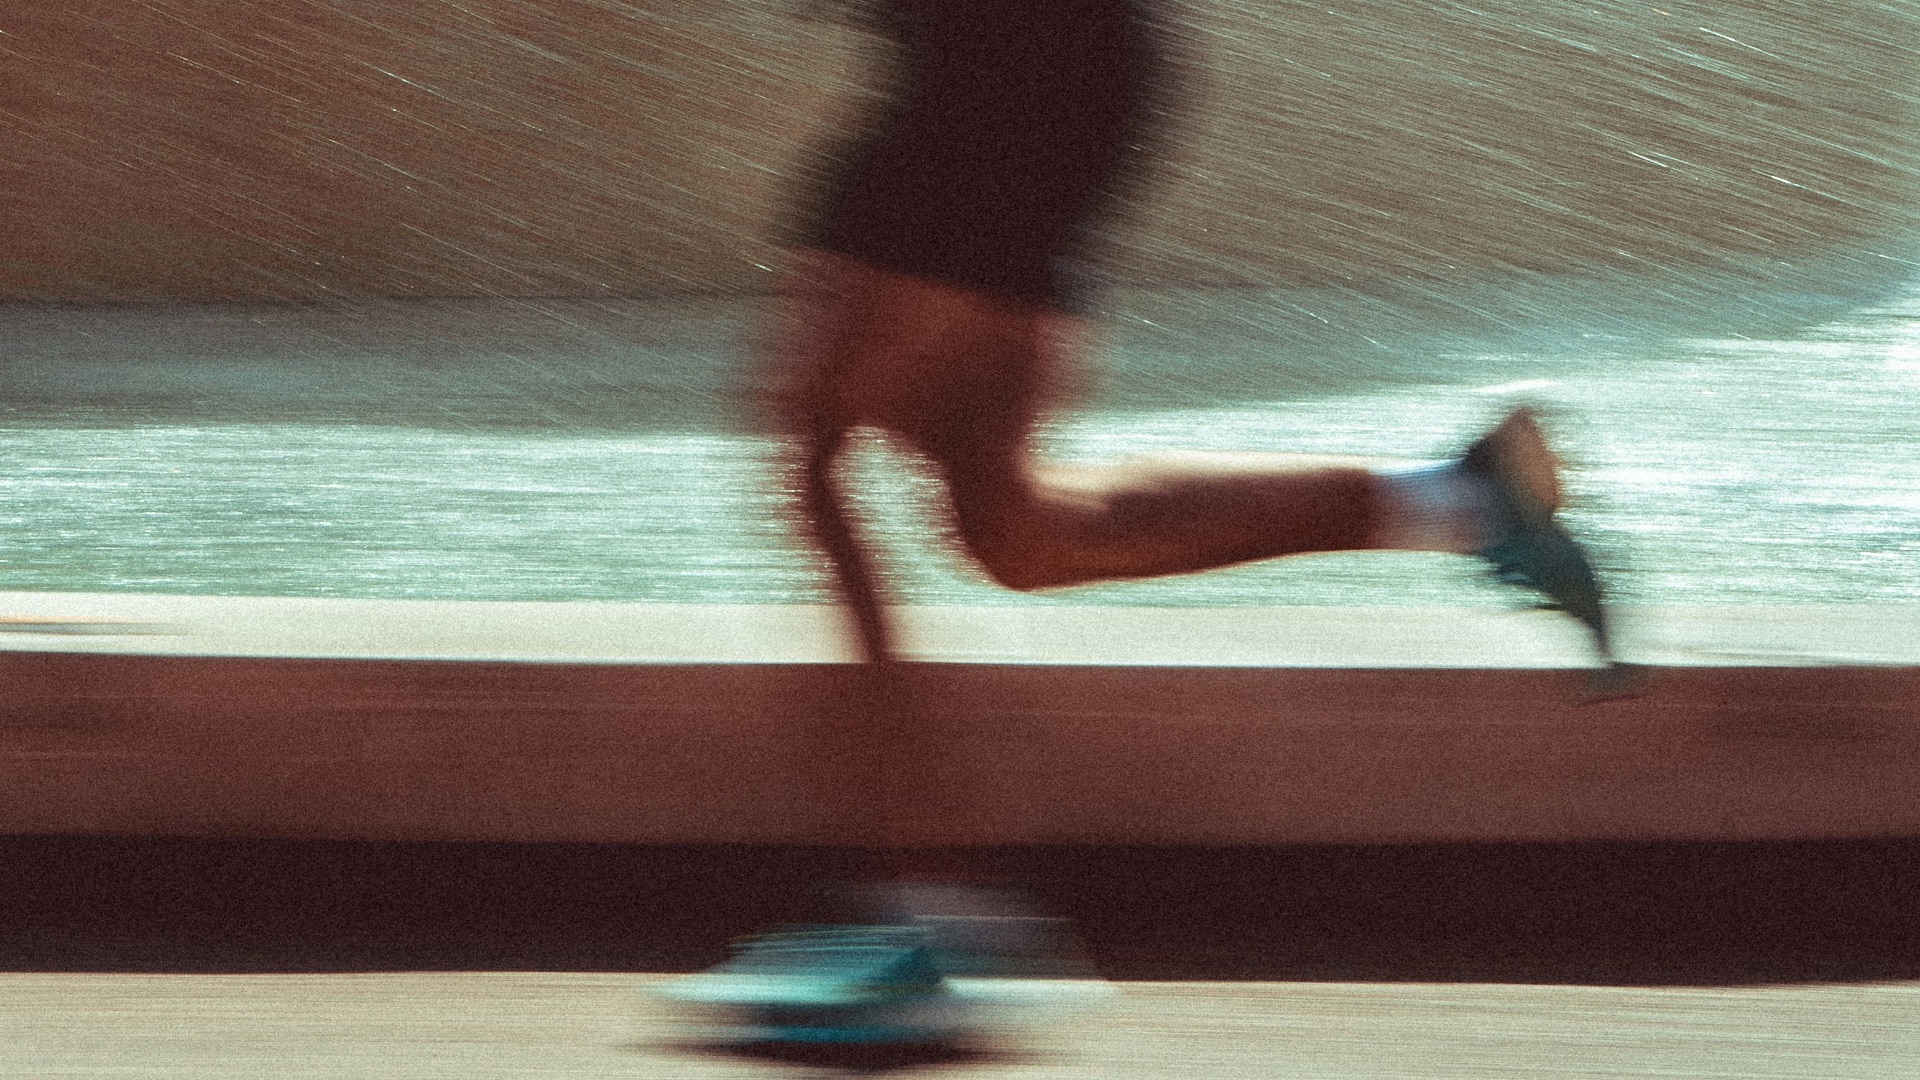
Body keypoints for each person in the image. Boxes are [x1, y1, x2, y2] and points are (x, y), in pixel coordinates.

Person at [664, 0, 1619, 1045]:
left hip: (1002, 59)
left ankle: (931, 910)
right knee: (1010, 528)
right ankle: (1457, 502)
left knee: (813, 454)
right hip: (1072, 62)